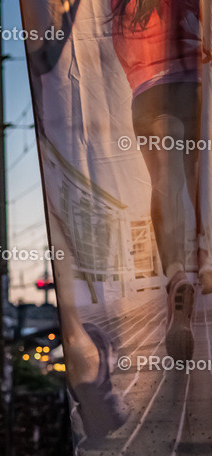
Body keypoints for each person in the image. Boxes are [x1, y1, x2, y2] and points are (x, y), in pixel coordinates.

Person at [111, 0, 203, 361]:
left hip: (149, 94)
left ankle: (177, 273)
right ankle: (206, 258)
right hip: (193, 85)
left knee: (166, 179)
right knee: (196, 180)